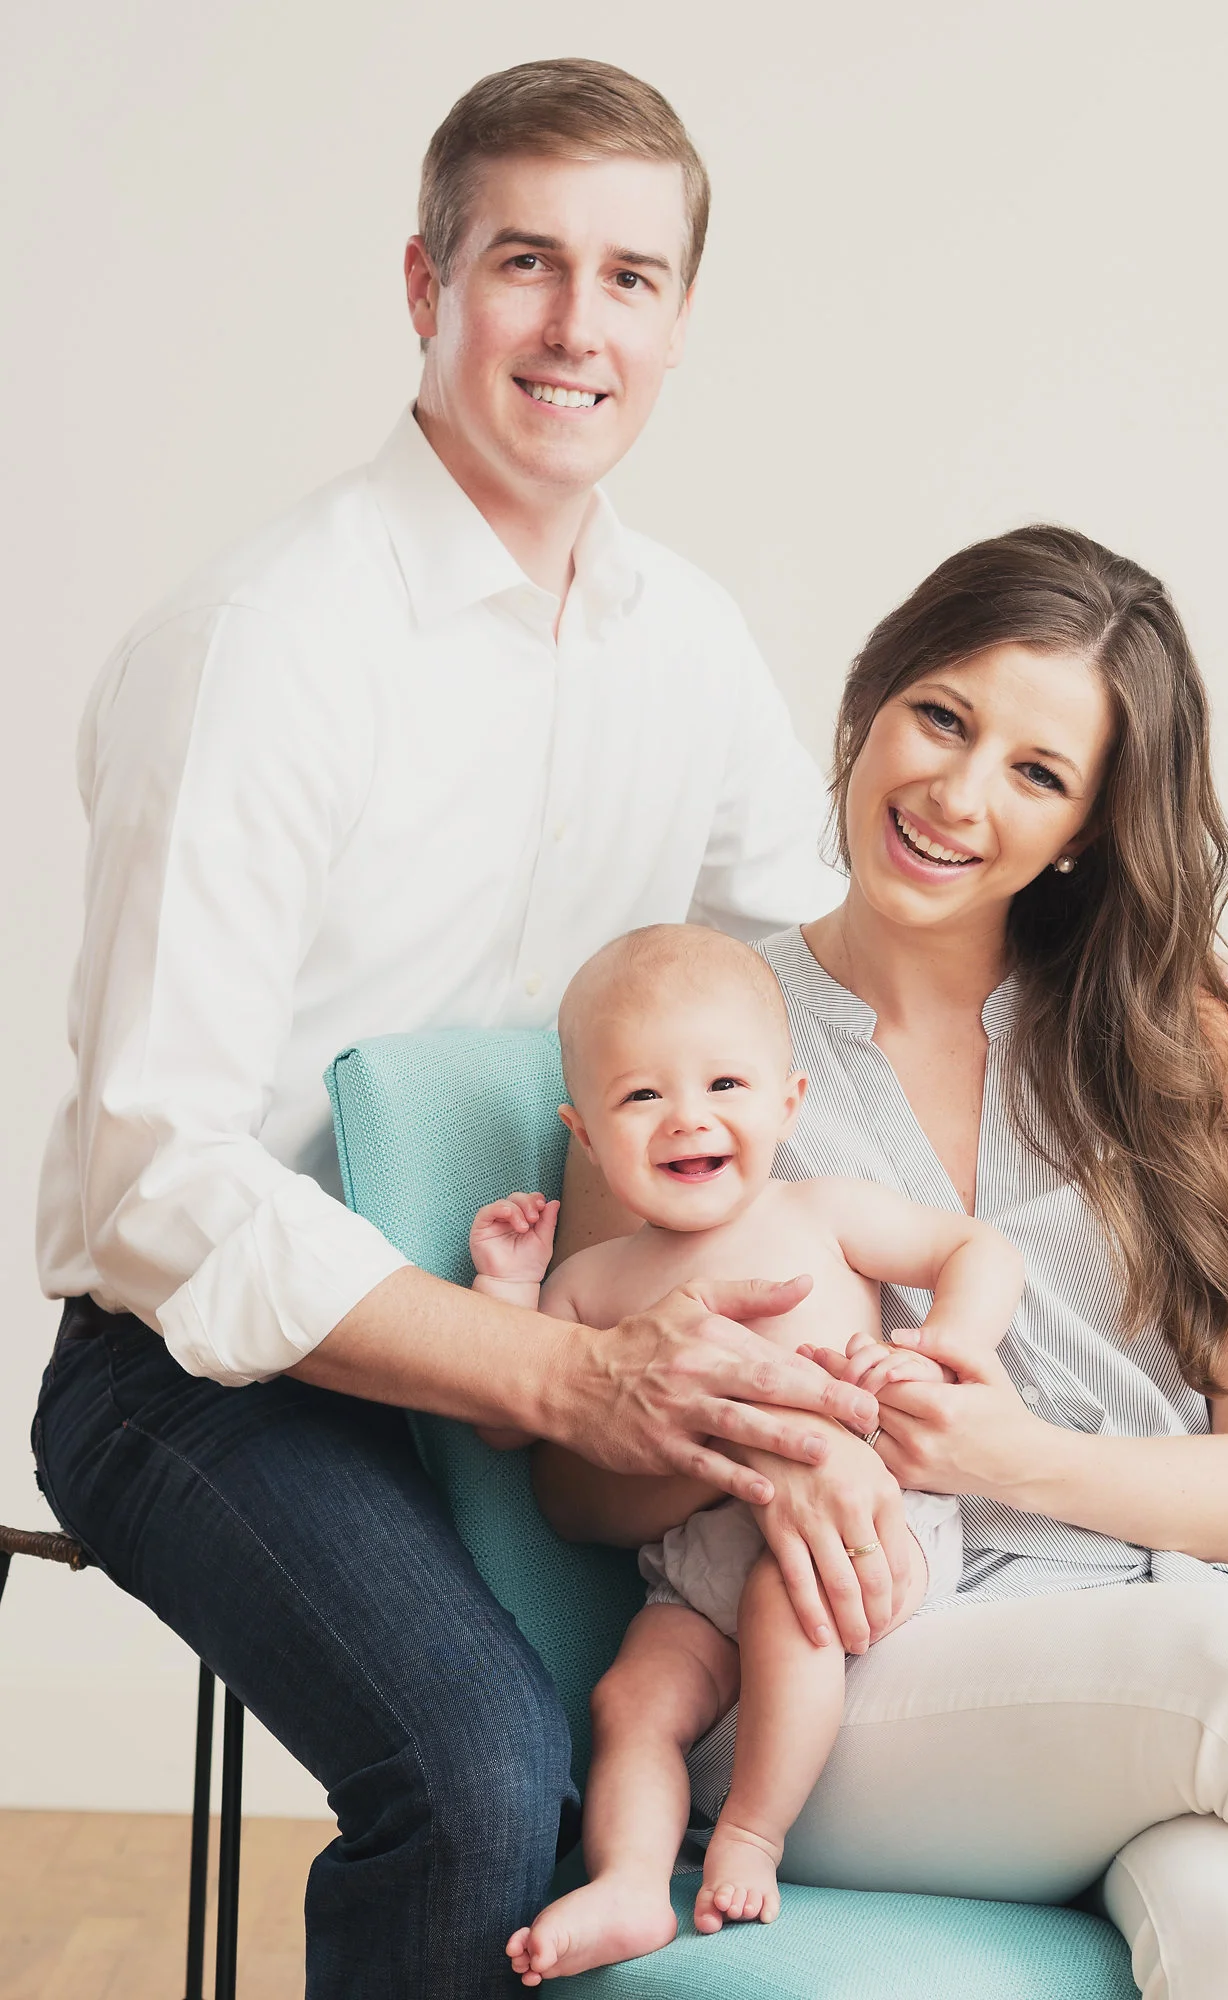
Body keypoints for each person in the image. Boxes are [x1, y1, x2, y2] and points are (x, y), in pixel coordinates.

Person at [29, 61, 899, 1998]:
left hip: (569, 1331)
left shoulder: (686, 640)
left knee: (850, 1677)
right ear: (425, 283)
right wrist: (562, 1376)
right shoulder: (262, 644)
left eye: (631, 277)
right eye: (526, 263)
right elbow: (152, 1180)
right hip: (217, 1372)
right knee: (486, 1774)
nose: (580, 326)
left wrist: (1197, 997)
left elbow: (842, 973)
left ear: (680, 319)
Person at [549, 527, 1228, 1998]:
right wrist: (771, 1443)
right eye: (942, 717)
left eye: (1038, 772)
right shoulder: (688, 1034)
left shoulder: (1199, 1048)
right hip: (832, 1681)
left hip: (1135, 1662)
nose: (958, 792)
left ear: (1085, 831)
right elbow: (575, 1478)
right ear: (870, 699)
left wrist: (1012, 1455)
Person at [461, 924, 1016, 1978]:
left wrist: (942, 1347)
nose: (689, 1117)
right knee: (632, 1699)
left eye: (724, 1083)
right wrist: (508, 1285)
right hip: (694, 1560)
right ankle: (631, 1882)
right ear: (587, 1136)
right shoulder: (589, 1283)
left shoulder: (822, 1211)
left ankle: (752, 1831)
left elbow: (975, 1247)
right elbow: (506, 1419)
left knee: (782, 1597)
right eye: (642, 1096)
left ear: (788, 1103)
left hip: (859, 1532)